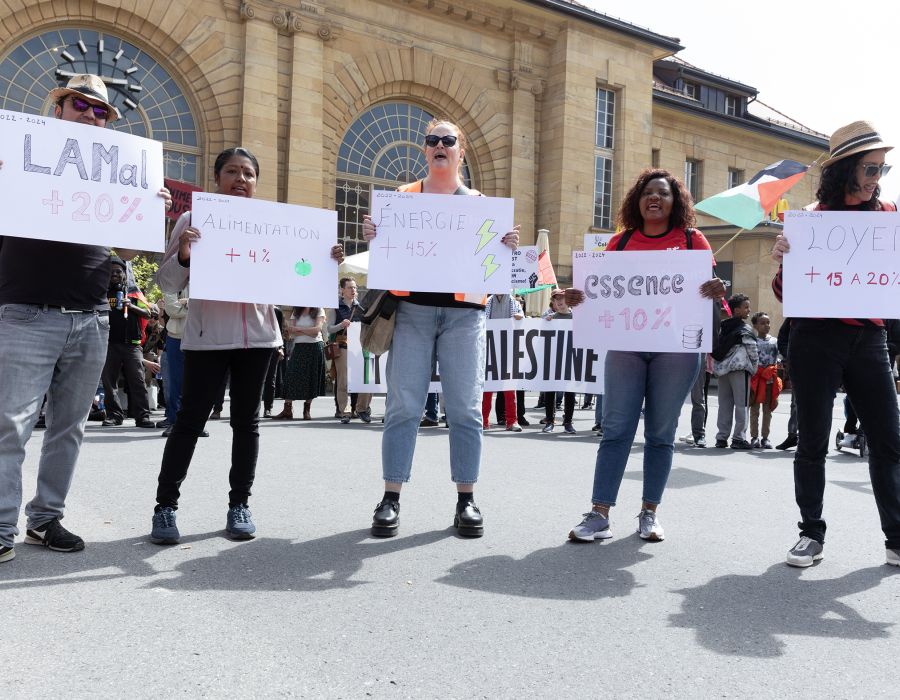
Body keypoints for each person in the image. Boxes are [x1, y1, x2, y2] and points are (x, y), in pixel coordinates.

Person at [0, 74, 171, 564]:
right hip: (26, 312)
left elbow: (128, 249)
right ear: (59, 109)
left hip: (91, 317)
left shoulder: (110, 173)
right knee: (10, 425)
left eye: (101, 112)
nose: (91, 116)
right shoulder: (22, 157)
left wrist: (148, 212)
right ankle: (1, 525)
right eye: (81, 105)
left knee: (69, 427)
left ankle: (46, 518)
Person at [149, 146, 343, 545]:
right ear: (217, 177)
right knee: (189, 422)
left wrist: (327, 262)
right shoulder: (193, 219)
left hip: (258, 340)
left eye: (248, 174)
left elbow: (300, 277)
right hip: (206, 340)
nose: (241, 179)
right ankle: (165, 508)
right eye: (233, 172)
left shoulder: (275, 223)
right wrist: (185, 253)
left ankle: (240, 504)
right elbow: (166, 282)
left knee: (247, 424)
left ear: (256, 182)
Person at [362, 117, 519, 538]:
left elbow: (496, 264)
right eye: (432, 140)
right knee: (403, 406)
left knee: (465, 408)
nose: (439, 145)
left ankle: (466, 500)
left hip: (465, 315)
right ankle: (390, 498)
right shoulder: (402, 198)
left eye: (447, 140)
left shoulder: (482, 204)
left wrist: (506, 246)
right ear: (424, 150)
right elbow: (386, 248)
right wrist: (374, 232)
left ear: (460, 152)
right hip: (411, 310)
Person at [566, 168, 724, 543]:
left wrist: (717, 290)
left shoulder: (692, 240)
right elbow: (596, 291)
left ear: (675, 202)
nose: (655, 198)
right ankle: (599, 513)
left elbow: (708, 295)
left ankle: (649, 513)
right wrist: (576, 299)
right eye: (647, 193)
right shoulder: (619, 243)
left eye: (663, 193)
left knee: (660, 433)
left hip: (676, 350)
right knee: (616, 429)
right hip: (626, 346)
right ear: (637, 201)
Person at [771, 120, 900, 567]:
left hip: (870, 338)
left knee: (888, 439)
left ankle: (896, 538)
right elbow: (789, 294)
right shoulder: (810, 219)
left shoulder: (889, 217)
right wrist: (785, 258)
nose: (875, 180)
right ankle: (811, 534)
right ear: (844, 169)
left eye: (882, 170)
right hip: (816, 339)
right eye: (869, 169)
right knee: (812, 440)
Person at [100, 256, 155, 428]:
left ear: (125, 274)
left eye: (118, 271)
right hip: (109, 343)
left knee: (137, 381)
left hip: (132, 344)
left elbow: (148, 314)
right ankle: (114, 415)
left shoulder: (133, 292)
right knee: (110, 383)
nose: (115, 275)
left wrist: (131, 306)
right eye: (111, 272)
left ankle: (142, 416)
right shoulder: (101, 292)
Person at [712, 294, 758, 450]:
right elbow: (752, 351)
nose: (748, 310)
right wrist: (754, 368)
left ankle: (721, 437)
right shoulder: (745, 329)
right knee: (741, 404)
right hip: (740, 370)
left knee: (724, 404)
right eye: (746, 307)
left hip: (722, 371)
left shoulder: (722, 327)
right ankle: (738, 438)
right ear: (736, 310)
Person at [327, 278, 372, 424]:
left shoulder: (361, 307)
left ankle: (362, 408)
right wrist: (341, 325)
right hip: (342, 345)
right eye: (350, 288)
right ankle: (344, 411)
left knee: (366, 378)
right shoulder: (335, 307)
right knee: (343, 380)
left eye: (355, 288)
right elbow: (329, 328)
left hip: (359, 346)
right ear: (342, 290)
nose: (353, 290)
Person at [275, 306, 327, 420]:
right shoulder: (296, 311)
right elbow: (291, 331)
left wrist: (298, 329)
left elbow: (316, 330)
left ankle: (307, 409)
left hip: (315, 346)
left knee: (311, 377)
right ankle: (287, 409)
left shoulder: (319, 310)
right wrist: (307, 330)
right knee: (291, 375)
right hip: (299, 346)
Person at [482, 292, 524, 432]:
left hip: (508, 350)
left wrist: (520, 317)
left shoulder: (514, 302)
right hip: (489, 349)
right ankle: (483, 420)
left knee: (509, 388)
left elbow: (521, 315)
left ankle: (512, 421)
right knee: (486, 389)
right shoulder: (487, 301)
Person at [542, 289, 577, 434]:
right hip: (553, 359)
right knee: (550, 389)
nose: (559, 301)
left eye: (561, 298)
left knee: (570, 391)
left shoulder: (577, 318)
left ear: (567, 300)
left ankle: (568, 422)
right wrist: (546, 322)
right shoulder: (550, 319)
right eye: (556, 299)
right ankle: (550, 421)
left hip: (570, 359)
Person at [749, 312, 780, 449]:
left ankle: (765, 438)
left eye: (768, 323)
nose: (766, 326)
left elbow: (779, 357)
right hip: (756, 380)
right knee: (754, 409)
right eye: (762, 323)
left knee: (768, 410)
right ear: (755, 325)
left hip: (770, 380)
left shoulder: (775, 341)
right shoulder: (752, 341)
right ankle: (754, 437)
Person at [774, 318, 799, 450]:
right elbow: (782, 336)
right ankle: (792, 436)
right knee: (796, 404)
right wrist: (788, 355)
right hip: (798, 364)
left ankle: (815, 439)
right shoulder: (793, 316)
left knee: (821, 403)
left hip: (821, 366)